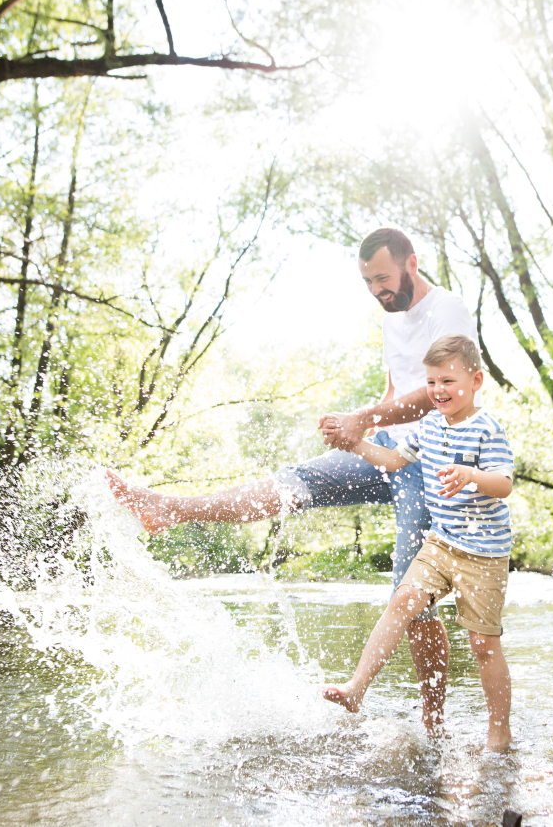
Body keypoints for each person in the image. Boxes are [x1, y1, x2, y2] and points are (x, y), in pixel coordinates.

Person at [106, 227, 478, 731]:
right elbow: (397, 387)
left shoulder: (447, 309)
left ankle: (433, 724)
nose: (377, 291)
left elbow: (439, 394)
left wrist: (362, 418)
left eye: (384, 279)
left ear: (412, 264)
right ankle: (170, 509)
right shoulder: (392, 316)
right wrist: (361, 425)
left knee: (410, 591)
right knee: (296, 481)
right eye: (368, 282)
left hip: (432, 463)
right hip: (389, 450)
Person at [323, 335, 515, 753]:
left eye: (448, 380)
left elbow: (504, 483)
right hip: (441, 543)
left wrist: (472, 477)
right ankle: (357, 688)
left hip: (484, 553)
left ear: (476, 380)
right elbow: (395, 461)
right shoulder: (428, 425)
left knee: (484, 644)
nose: (438, 390)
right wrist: (355, 444)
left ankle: (499, 733)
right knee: (403, 600)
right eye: (431, 382)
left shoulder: (487, 428)